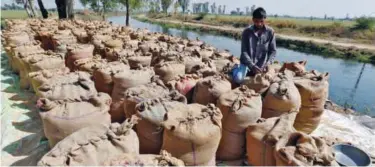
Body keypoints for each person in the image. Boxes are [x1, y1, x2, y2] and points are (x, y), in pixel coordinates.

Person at [232, 7, 277, 84]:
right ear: (253, 20)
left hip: (261, 66)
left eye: (261, 21)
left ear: (265, 19)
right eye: (256, 21)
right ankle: (235, 68)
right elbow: (244, 52)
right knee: (238, 79)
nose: (259, 24)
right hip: (246, 64)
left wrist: (268, 63)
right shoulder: (247, 32)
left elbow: (273, 51)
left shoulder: (270, 32)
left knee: (270, 81)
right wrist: (252, 65)